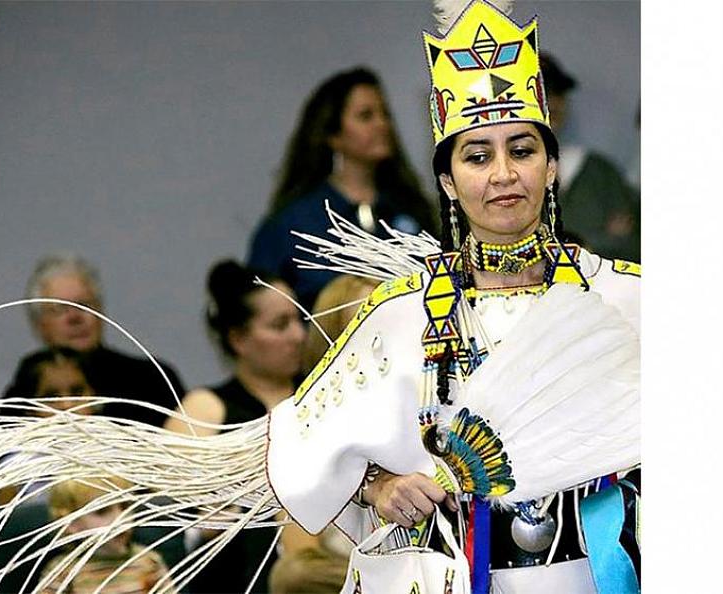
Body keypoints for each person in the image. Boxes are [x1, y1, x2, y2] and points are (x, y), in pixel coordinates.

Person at [264, 2, 640, 593]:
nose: (503, 175)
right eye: (478, 156)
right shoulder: (401, 313)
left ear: (551, 166)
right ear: (447, 180)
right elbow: (304, 444)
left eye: (522, 151)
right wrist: (377, 485)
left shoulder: (627, 298)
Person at [165, 259, 306, 593]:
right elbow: (168, 517)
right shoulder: (206, 408)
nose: (299, 335)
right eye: (279, 325)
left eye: (299, 319)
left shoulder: (330, 394)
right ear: (239, 339)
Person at [247, 66, 439, 311]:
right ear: (332, 134)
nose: (382, 124)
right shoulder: (293, 224)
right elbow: (262, 313)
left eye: (385, 114)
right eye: (366, 116)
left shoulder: (412, 208)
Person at [269, 274, 377, 594]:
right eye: (363, 328)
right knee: (294, 575)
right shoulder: (304, 430)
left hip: (440, 567)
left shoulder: (434, 410)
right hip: (350, 578)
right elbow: (300, 557)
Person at [10, 252, 187, 427]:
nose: (74, 317)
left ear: (101, 311)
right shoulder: (21, 396)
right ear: (39, 324)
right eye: (60, 309)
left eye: (83, 305)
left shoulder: (153, 380)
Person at [540, 52, 640, 261]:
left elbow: (633, 244)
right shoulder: (504, 175)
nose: (554, 101)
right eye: (543, 92)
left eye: (559, 91)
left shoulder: (597, 170)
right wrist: (598, 242)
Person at [39, 477, 172, 594]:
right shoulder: (62, 571)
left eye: (124, 506)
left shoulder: (149, 562)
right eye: (102, 511)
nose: (121, 518)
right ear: (72, 524)